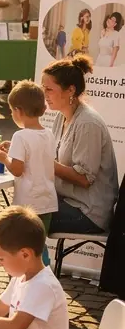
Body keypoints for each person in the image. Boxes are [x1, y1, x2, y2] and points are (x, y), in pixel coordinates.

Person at [42, 55, 118, 235]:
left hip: (89, 212)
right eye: (43, 88)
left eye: (49, 89)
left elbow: (84, 179)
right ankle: (37, 262)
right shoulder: (61, 116)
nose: (44, 95)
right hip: (68, 201)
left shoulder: (87, 123)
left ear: (70, 90)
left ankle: (38, 263)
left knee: (25, 222)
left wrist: (44, 162)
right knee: (24, 209)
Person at [0, 82, 57, 234]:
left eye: (11, 111)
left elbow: (16, 170)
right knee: (39, 244)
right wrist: (13, 149)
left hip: (27, 203)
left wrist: (4, 158)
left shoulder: (20, 136)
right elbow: (36, 155)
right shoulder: (48, 134)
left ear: (18, 111)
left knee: (24, 243)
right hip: (47, 201)